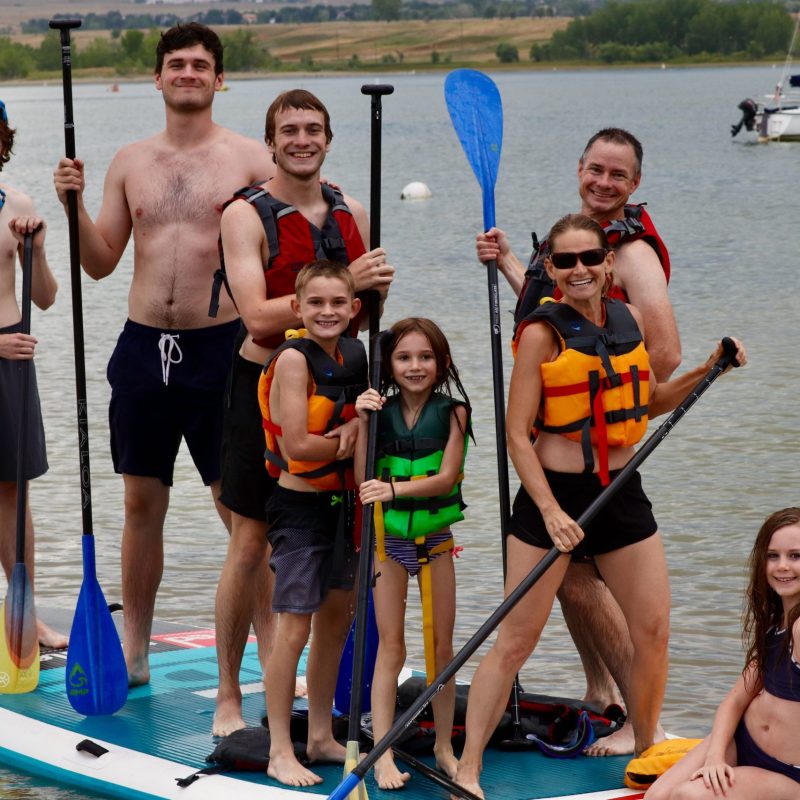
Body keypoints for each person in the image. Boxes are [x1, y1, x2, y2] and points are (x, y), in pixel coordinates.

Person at [454, 213, 746, 799]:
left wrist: (708, 368)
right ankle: (468, 769)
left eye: (590, 258)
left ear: (609, 262)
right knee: (516, 640)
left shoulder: (628, 320)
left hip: (621, 491)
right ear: (552, 271)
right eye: (565, 262)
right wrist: (551, 511)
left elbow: (647, 401)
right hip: (552, 497)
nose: (579, 270)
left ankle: (645, 756)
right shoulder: (542, 331)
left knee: (654, 631)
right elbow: (517, 435)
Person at [52, 23, 275, 686]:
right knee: (140, 505)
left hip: (224, 351)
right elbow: (98, 264)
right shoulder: (130, 161)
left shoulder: (250, 161)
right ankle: (137, 650)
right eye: (175, 64)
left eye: (200, 65)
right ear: (156, 77)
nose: (187, 73)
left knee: (239, 509)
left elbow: (291, 249)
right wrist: (72, 207)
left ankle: (271, 650)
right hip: (145, 347)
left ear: (218, 78)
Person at [476, 128, 680, 754]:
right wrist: (511, 263)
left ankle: (634, 721)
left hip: (606, 454)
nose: (604, 183)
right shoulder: (570, 249)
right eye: (596, 170)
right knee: (560, 586)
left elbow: (662, 358)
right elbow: (555, 317)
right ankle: (603, 695)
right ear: (580, 169)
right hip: (555, 456)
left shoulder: (633, 253)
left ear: (634, 185)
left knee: (588, 587)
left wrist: (607, 393)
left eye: (618, 176)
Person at [212, 88, 394, 736]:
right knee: (251, 540)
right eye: (288, 130)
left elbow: (365, 318)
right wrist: (335, 295)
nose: (301, 139)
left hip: (344, 390)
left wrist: (369, 296)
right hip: (263, 383)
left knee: (341, 548)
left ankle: (319, 715)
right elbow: (257, 315)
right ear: (271, 141)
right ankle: (230, 695)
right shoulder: (245, 215)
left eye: (312, 128)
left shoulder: (354, 211)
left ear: (328, 137)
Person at [257, 260, 366, 787]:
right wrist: (347, 436)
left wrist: (358, 429)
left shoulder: (357, 355)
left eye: (338, 303)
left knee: (334, 625)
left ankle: (320, 734)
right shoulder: (294, 361)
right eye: (316, 303)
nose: (328, 312)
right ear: (297, 308)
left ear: (354, 309)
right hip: (298, 509)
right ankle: (281, 748)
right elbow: (297, 445)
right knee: (294, 627)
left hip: (344, 507)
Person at [355, 317, 471, 790]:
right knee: (391, 647)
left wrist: (394, 489)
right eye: (404, 357)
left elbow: (446, 479)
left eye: (425, 357)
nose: (415, 366)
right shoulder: (377, 411)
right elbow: (362, 470)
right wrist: (362, 419)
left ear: (441, 363)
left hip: (437, 542)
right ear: (390, 365)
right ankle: (382, 754)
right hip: (389, 545)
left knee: (442, 649)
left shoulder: (455, 412)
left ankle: (444, 746)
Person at [645, 507, 800, 800]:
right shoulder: (774, 624)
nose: (782, 566)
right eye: (772, 556)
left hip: (788, 772)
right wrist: (716, 754)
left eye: (795, 556)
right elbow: (735, 700)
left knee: (689, 796)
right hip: (742, 741)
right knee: (657, 796)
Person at [0, 99, 66, 650]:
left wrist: (38, 250)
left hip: (11, 369)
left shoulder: (17, 205)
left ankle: (24, 618)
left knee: (13, 495)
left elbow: (43, 297)